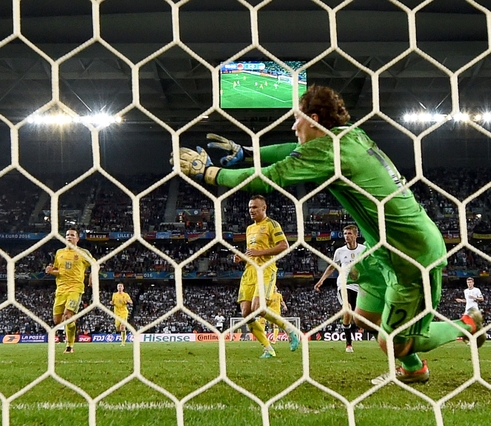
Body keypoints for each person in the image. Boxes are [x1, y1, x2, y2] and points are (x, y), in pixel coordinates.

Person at [175, 85, 485, 383]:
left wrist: (210, 173)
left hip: (411, 253)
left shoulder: (330, 151)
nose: (293, 127)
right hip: (382, 249)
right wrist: (247, 151)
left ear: (314, 120)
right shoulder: (351, 136)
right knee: (364, 317)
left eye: (297, 119)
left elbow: (270, 178)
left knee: (393, 342)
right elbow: (293, 150)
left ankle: (466, 325)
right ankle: (413, 369)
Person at [233, 195, 300, 358]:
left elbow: (284, 246)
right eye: (250, 207)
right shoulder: (249, 228)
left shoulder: (272, 224)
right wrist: (242, 257)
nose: (251, 210)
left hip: (265, 270)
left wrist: (260, 253)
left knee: (258, 308)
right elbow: (252, 252)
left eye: (255, 207)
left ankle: (289, 329)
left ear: (264, 208)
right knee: (246, 312)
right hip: (250, 271)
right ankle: (268, 349)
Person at [315, 224, 367, 353]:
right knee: (347, 309)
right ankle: (348, 344)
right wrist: (321, 280)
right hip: (344, 284)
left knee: (359, 315)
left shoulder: (364, 250)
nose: (347, 236)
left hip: (360, 286)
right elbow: (332, 266)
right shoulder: (340, 251)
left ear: (356, 235)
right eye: (345, 234)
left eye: (349, 233)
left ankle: (354, 328)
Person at [45, 228, 94, 354]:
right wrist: (51, 271)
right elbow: (58, 270)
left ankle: (69, 345)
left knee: (67, 315)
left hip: (75, 288)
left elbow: (96, 264)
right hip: (61, 289)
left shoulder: (83, 253)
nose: (69, 237)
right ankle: (70, 324)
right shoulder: (59, 253)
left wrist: (92, 275)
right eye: (67, 235)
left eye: (72, 235)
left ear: (77, 239)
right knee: (57, 321)